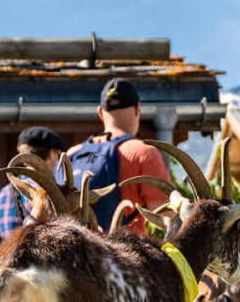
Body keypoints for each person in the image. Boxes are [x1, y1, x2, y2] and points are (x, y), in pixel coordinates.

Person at [63, 79, 170, 233]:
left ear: (100, 112)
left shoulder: (72, 154)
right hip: (125, 253)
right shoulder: (143, 153)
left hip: (76, 253)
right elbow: (165, 217)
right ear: (137, 109)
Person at [0, 126, 67, 237]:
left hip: (7, 252)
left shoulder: (4, 192)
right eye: (57, 154)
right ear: (51, 154)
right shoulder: (49, 193)